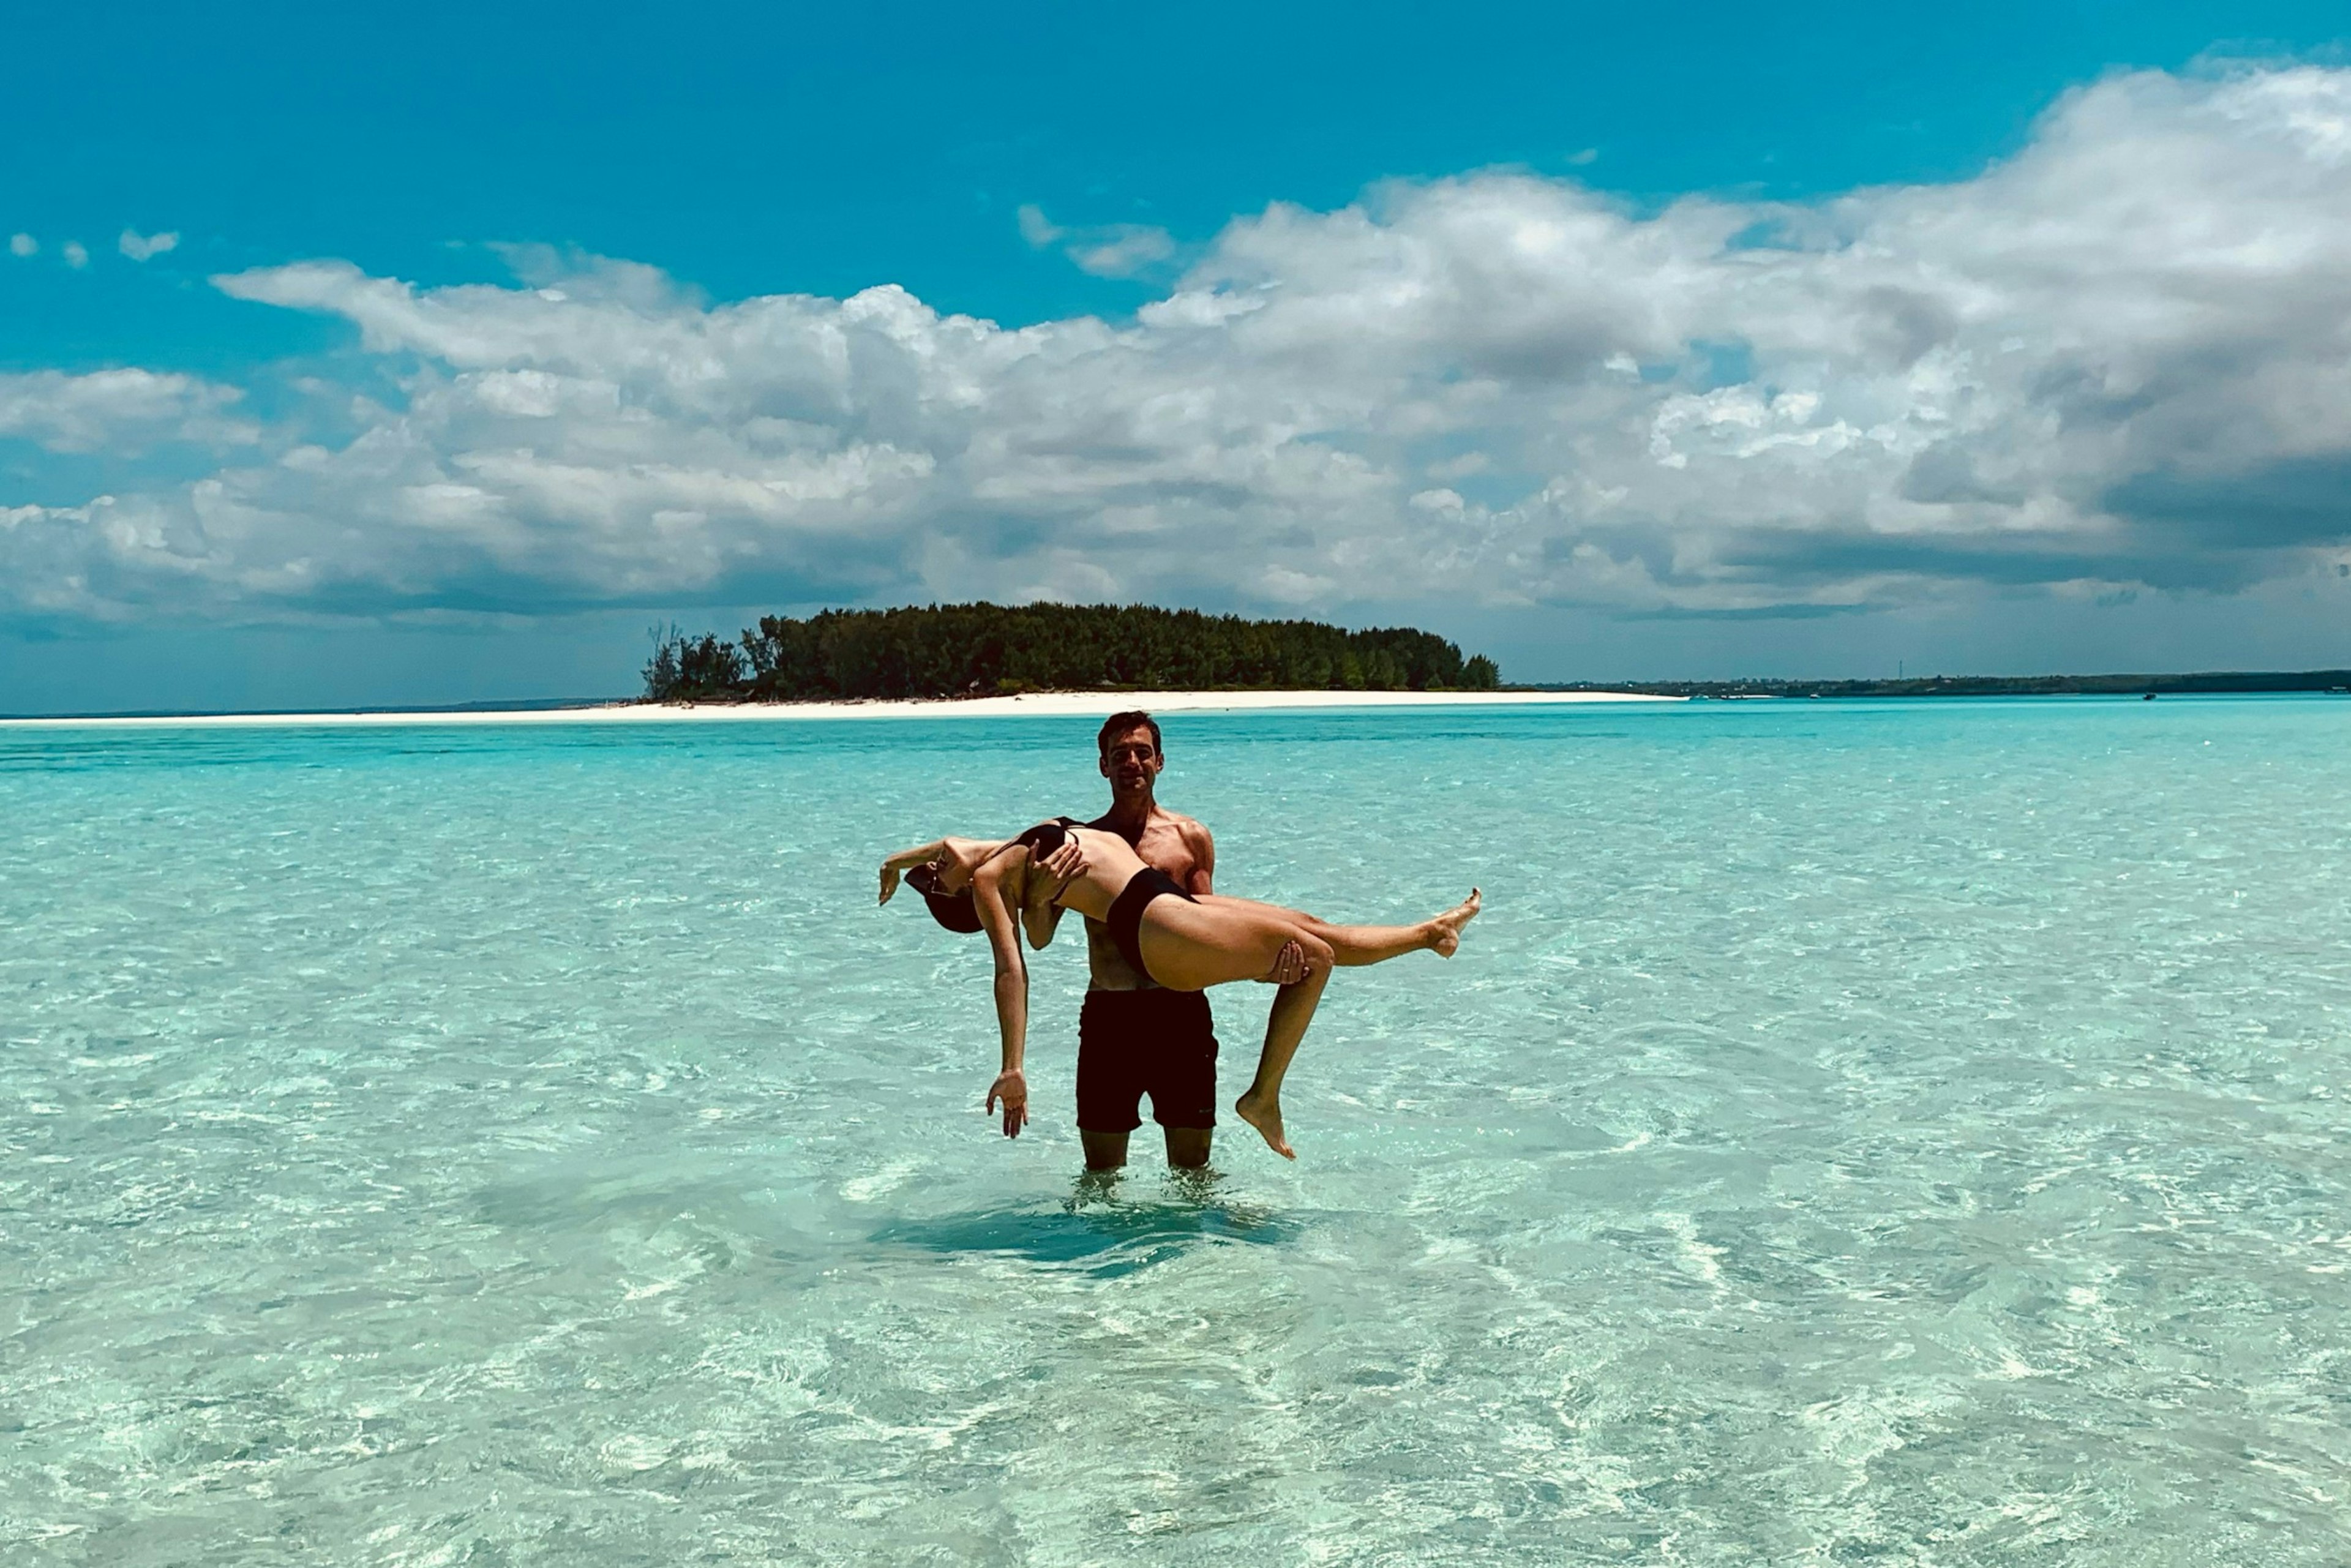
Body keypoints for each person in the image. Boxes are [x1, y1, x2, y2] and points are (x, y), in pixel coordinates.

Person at [877, 773, 1479, 1161]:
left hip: (1163, 902)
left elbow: (948, 844)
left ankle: (1429, 933)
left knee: (1312, 929)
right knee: (1315, 960)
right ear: (958, 897)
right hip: (1148, 925)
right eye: (934, 879)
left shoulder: (1010, 850)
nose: (938, 864)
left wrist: (895, 861)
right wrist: (1013, 1065)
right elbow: (1013, 970)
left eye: (931, 869)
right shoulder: (990, 882)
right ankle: (1262, 1098)